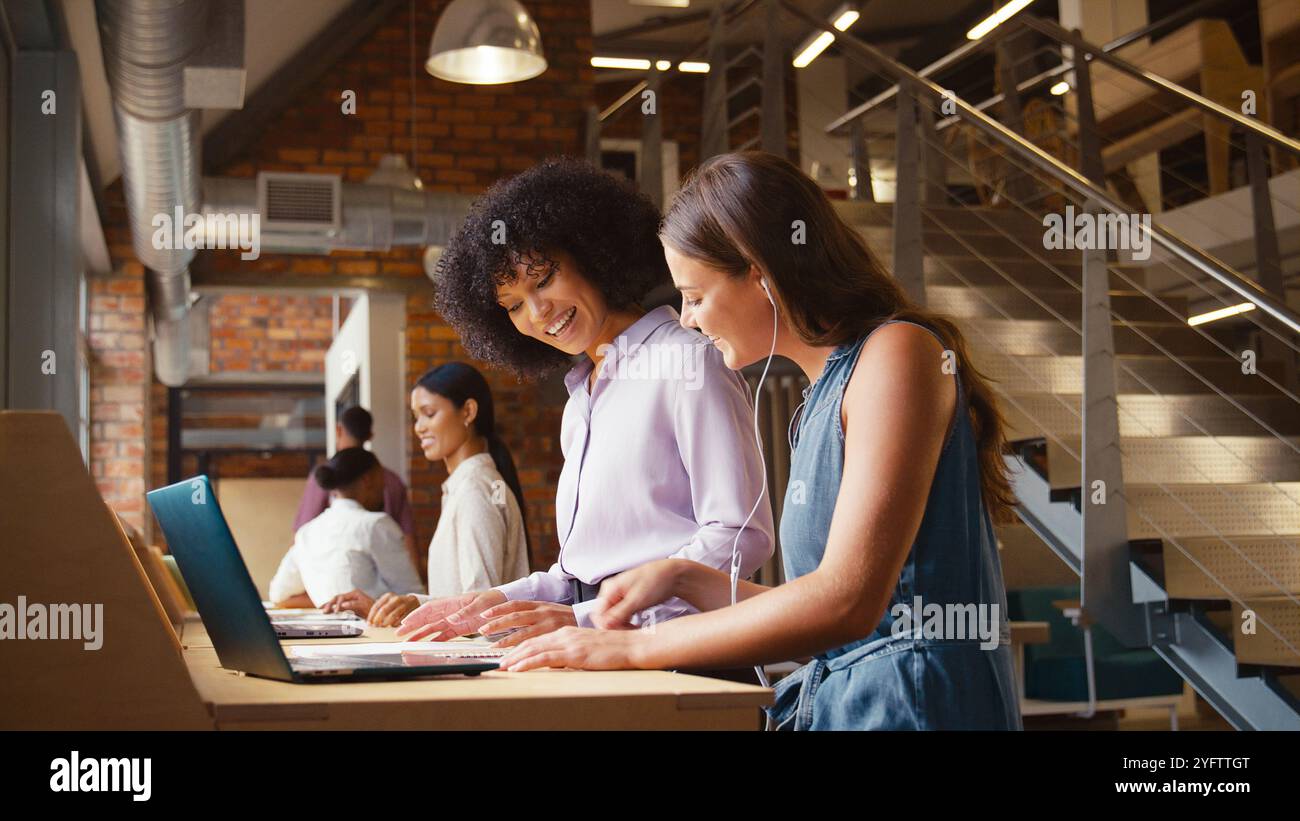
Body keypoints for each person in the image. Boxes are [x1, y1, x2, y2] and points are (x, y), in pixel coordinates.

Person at [496, 151, 1022, 731]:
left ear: (760, 272)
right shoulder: (820, 397)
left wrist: (632, 648)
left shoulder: (898, 354)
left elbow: (847, 603)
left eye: (695, 297)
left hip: (916, 707)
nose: (689, 320)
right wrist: (682, 578)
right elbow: (815, 609)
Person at [395, 157, 774, 650]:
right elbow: (580, 572)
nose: (537, 312)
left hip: (681, 654)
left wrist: (590, 617)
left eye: (544, 279)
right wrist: (489, 604)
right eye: (512, 305)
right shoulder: (580, 400)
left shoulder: (688, 361)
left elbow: (741, 536)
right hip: (604, 646)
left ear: (593, 254)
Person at [358, 363, 531, 627]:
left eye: (429, 413)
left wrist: (418, 605)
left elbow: (481, 607)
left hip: (477, 661)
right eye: (416, 416)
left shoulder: (476, 490)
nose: (419, 427)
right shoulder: (466, 487)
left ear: (468, 411)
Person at [269, 447, 423, 613]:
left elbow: (278, 594)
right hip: (378, 634)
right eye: (381, 480)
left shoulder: (306, 532)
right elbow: (413, 598)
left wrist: (328, 602)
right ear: (367, 480)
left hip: (329, 634)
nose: (384, 487)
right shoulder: (375, 525)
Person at [294, 405, 417, 565]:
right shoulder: (391, 480)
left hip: (336, 576)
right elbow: (408, 540)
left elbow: (301, 538)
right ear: (370, 435)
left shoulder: (325, 475)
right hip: (385, 581)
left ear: (338, 430)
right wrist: (417, 584)